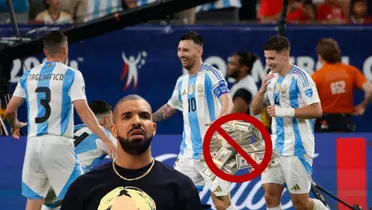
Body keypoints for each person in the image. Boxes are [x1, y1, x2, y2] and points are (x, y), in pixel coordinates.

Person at [4, 30, 116, 210]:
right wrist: (105, 138)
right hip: (58, 145)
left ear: (44, 51)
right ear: (65, 50)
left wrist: (14, 124)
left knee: (33, 203)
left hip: (33, 146)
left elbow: (10, 109)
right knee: (81, 196)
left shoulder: (28, 75)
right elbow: (83, 110)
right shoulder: (71, 74)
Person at [61, 94, 203, 210]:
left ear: (154, 128)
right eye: (127, 116)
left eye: (144, 116)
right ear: (113, 130)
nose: (136, 121)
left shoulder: (180, 187)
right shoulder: (83, 187)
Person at [152, 31, 235, 210]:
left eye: (186, 50)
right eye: (179, 50)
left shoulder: (211, 74)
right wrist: (146, 120)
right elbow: (169, 109)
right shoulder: (181, 81)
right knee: (175, 199)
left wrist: (219, 122)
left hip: (214, 152)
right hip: (188, 154)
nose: (181, 54)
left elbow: (227, 101)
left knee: (221, 203)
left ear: (199, 52)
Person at [251, 35, 328, 210]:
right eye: (266, 58)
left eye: (272, 58)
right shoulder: (270, 77)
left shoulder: (301, 77)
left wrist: (284, 112)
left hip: (297, 146)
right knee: (270, 195)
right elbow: (255, 110)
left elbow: (317, 110)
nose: (268, 63)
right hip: (275, 146)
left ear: (285, 55)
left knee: (300, 203)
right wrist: (262, 90)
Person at [42, 100, 118, 210]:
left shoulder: (73, 129)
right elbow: (125, 159)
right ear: (106, 120)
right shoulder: (104, 135)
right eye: (112, 120)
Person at [312, 38, 372, 132]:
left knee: (325, 147)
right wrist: (363, 106)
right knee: (346, 147)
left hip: (324, 124)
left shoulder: (316, 76)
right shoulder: (351, 71)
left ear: (320, 57)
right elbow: (370, 90)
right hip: (345, 123)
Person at [227, 51, 259, 115]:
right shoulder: (241, 84)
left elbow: (233, 117)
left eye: (232, 64)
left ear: (243, 68)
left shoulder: (244, 89)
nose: (228, 66)